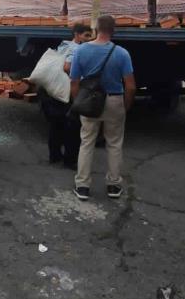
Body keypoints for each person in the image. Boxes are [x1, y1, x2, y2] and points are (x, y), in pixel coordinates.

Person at [70, 15, 136, 201]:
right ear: (113, 30)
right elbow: (130, 86)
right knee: (114, 144)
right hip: (114, 101)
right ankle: (114, 186)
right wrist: (125, 105)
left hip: (90, 101)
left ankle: (83, 186)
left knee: (87, 142)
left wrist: (78, 103)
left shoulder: (81, 51)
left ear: (96, 30)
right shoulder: (122, 53)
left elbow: (74, 82)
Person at [39, 23, 93, 168]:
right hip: (69, 91)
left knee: (56, 125)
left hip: (55, 91)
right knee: (72, 128)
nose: (89, 38)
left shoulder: (63, 45)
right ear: (77, 34)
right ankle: (69, 160)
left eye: (90, 35)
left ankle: (54, 156)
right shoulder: (77, 49)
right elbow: (67, 67)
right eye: (86, 35)